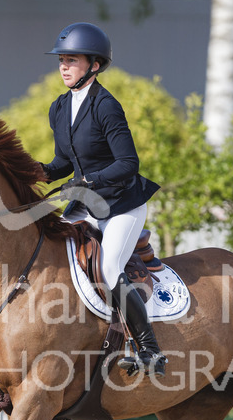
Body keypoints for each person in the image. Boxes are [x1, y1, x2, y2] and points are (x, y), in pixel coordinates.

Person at [40, 22, 166, 377]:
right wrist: (36, 171)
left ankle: (148, 348)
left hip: (122, 204)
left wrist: (88, 180)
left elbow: (128, 163)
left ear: (94, 65)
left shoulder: (106, 106)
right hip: (86, 202)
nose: (63, 66)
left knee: (109, 268)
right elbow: (64, 162)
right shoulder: (60, 107)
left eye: (71, 60)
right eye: (61, 60)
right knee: (52, 253)